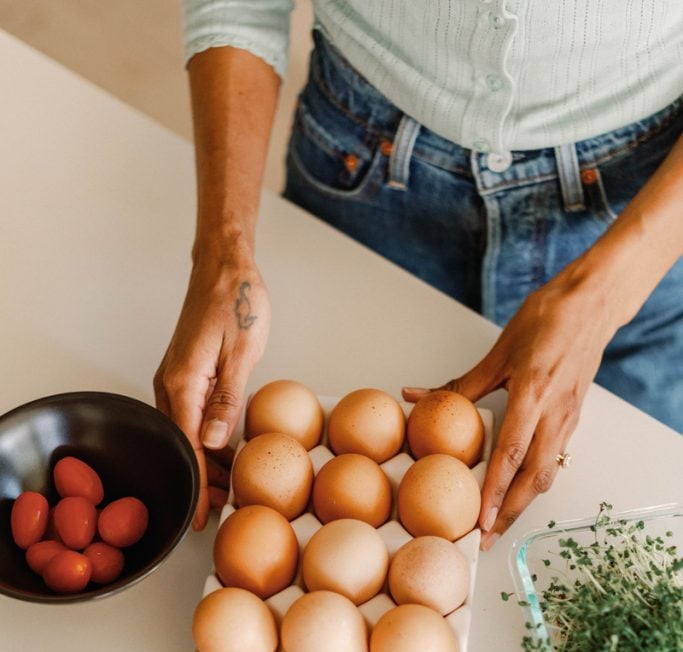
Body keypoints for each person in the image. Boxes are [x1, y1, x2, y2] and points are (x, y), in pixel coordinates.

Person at [154, 1, 683, 543]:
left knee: (638, 511)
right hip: (365, 166)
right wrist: (222, 254)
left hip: (646, 210)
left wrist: (602, 298)